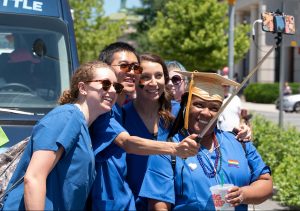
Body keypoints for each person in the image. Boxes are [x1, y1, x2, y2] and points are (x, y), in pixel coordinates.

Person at [139, 72, 273, 210]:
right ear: (186, 106)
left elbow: (265, 181)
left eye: (214, 108)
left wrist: (243, 194)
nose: (206, 113)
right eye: (199, 105)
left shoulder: (239, 142)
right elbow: (159, 206)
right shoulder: (168, 150)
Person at [90, 43, 199, 211]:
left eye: (158, 75)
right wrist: (175, 148)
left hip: (167, 204)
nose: (153, 83)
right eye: (146, 76)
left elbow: (208, 124)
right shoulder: (115, 115)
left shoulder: (177, 115)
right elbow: (128, 143)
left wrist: (239, 132)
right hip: (127, 203)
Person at [1, 61, 123, 210]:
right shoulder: (67, 117)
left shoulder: (82, 126)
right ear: (83, 88)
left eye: (116, 87)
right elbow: (34, 178)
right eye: (105, 84)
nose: (112, 90)